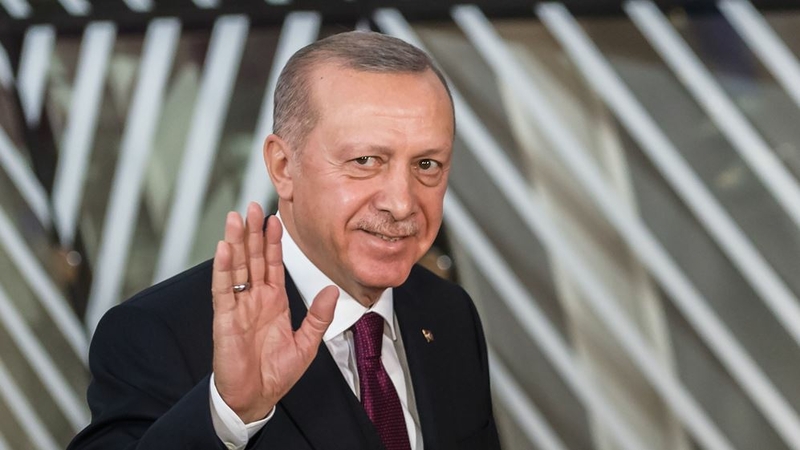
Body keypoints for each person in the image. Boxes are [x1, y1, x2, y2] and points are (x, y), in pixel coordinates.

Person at [68, 30, 500, 450]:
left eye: (427, 164)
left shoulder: (448, 313)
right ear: (282, 166)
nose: (402, 203)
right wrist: (228, 414)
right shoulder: (159, 333)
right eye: (366, 161)